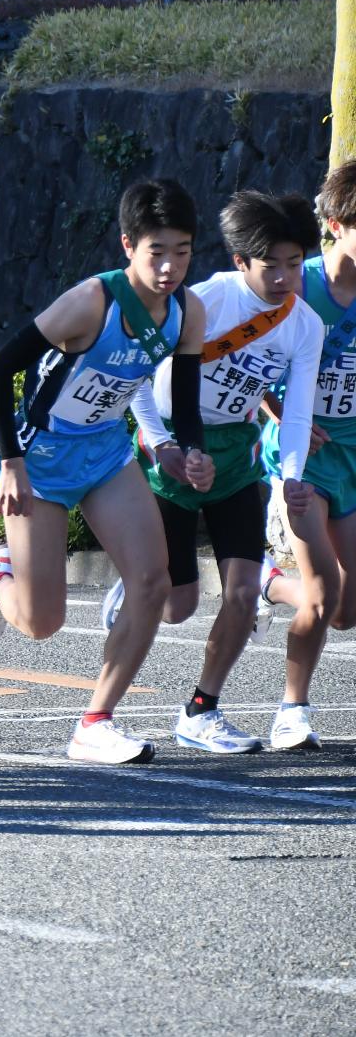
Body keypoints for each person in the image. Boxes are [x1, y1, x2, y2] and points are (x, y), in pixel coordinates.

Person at [0, 178, 210, 765]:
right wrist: (10, 461)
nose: (171, 266)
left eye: (182, 251)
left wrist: (187, 450)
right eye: (158, 251)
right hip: (42, 459)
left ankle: (95, 721)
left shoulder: (187, 311)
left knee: (154, 581)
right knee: (42, 621)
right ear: (128, 245)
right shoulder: (89, 303)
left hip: (105, 452)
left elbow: (187, 395)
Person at [117, 191, 323, 755]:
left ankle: (201, 710)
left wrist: (294, 474)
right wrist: (162, 444)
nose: (284, 277)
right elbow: (135, 373)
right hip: (174, 445)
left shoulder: (304, 326)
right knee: (175, 605)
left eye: (293, 263)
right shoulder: (203, 300)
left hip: (235, 454)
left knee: (238, 593)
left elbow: (298, 409)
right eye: (270, 265)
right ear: (240, 262)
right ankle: (136, 576)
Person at [251, 166, 356, 751]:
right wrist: (284, 416)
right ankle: (292, 711)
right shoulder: (299, 285)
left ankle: (269, 585)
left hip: (352, 458)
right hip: (300, 461)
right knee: (321, 595)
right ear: (336, 226)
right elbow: (250, 360)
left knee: (345, 610)